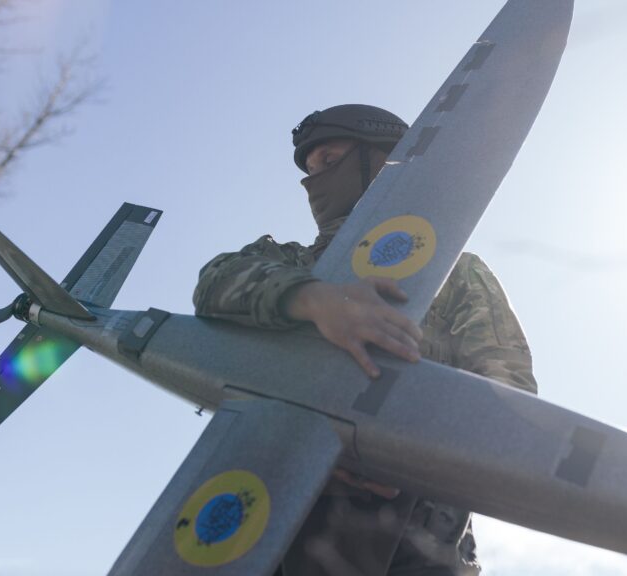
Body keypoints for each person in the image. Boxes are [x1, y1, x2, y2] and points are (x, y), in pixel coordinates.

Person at [193, 104, 537, 576]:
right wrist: (313, 299)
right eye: (310, 170)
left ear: (382, 160)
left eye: (329, 161)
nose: (314, 181)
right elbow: (215, 281)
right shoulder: (292, 263)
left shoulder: (454, 270)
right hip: (282, 504)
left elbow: (507, 393)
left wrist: (399, 452)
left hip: (417, 527)